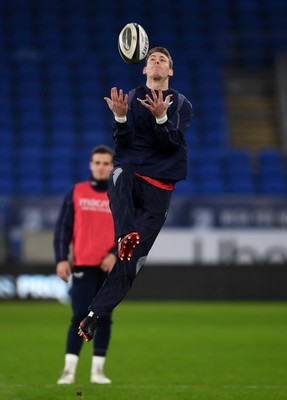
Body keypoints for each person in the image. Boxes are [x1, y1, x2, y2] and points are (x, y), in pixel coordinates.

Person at [78, 47, 192, 342]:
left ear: (170, 72)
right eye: (151, 59)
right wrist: (119, 118)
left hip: (160, 189)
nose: (156, 62)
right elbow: (123, 143)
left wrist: (161, 118)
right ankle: (125, 234)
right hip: (132, 174)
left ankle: (94, 315)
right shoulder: (129, 97)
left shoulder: (180, 104)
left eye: (163, 60)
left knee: (132, 261)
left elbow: (171, 146)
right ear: (144, 69)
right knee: (117, 174)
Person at [54, 145, 117, 384]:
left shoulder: (120, 193)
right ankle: (69, 371)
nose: (101, 167)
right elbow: (63, 228)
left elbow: (128, 231)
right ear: (91, 165)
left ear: (113, 166)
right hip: (82, 263)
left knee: (105, 317)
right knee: (80, 315)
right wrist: (61, 258)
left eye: (106, 163)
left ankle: (97, 371)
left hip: (110, 265)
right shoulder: (76, 192)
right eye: (97, 163)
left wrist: (114, 254)